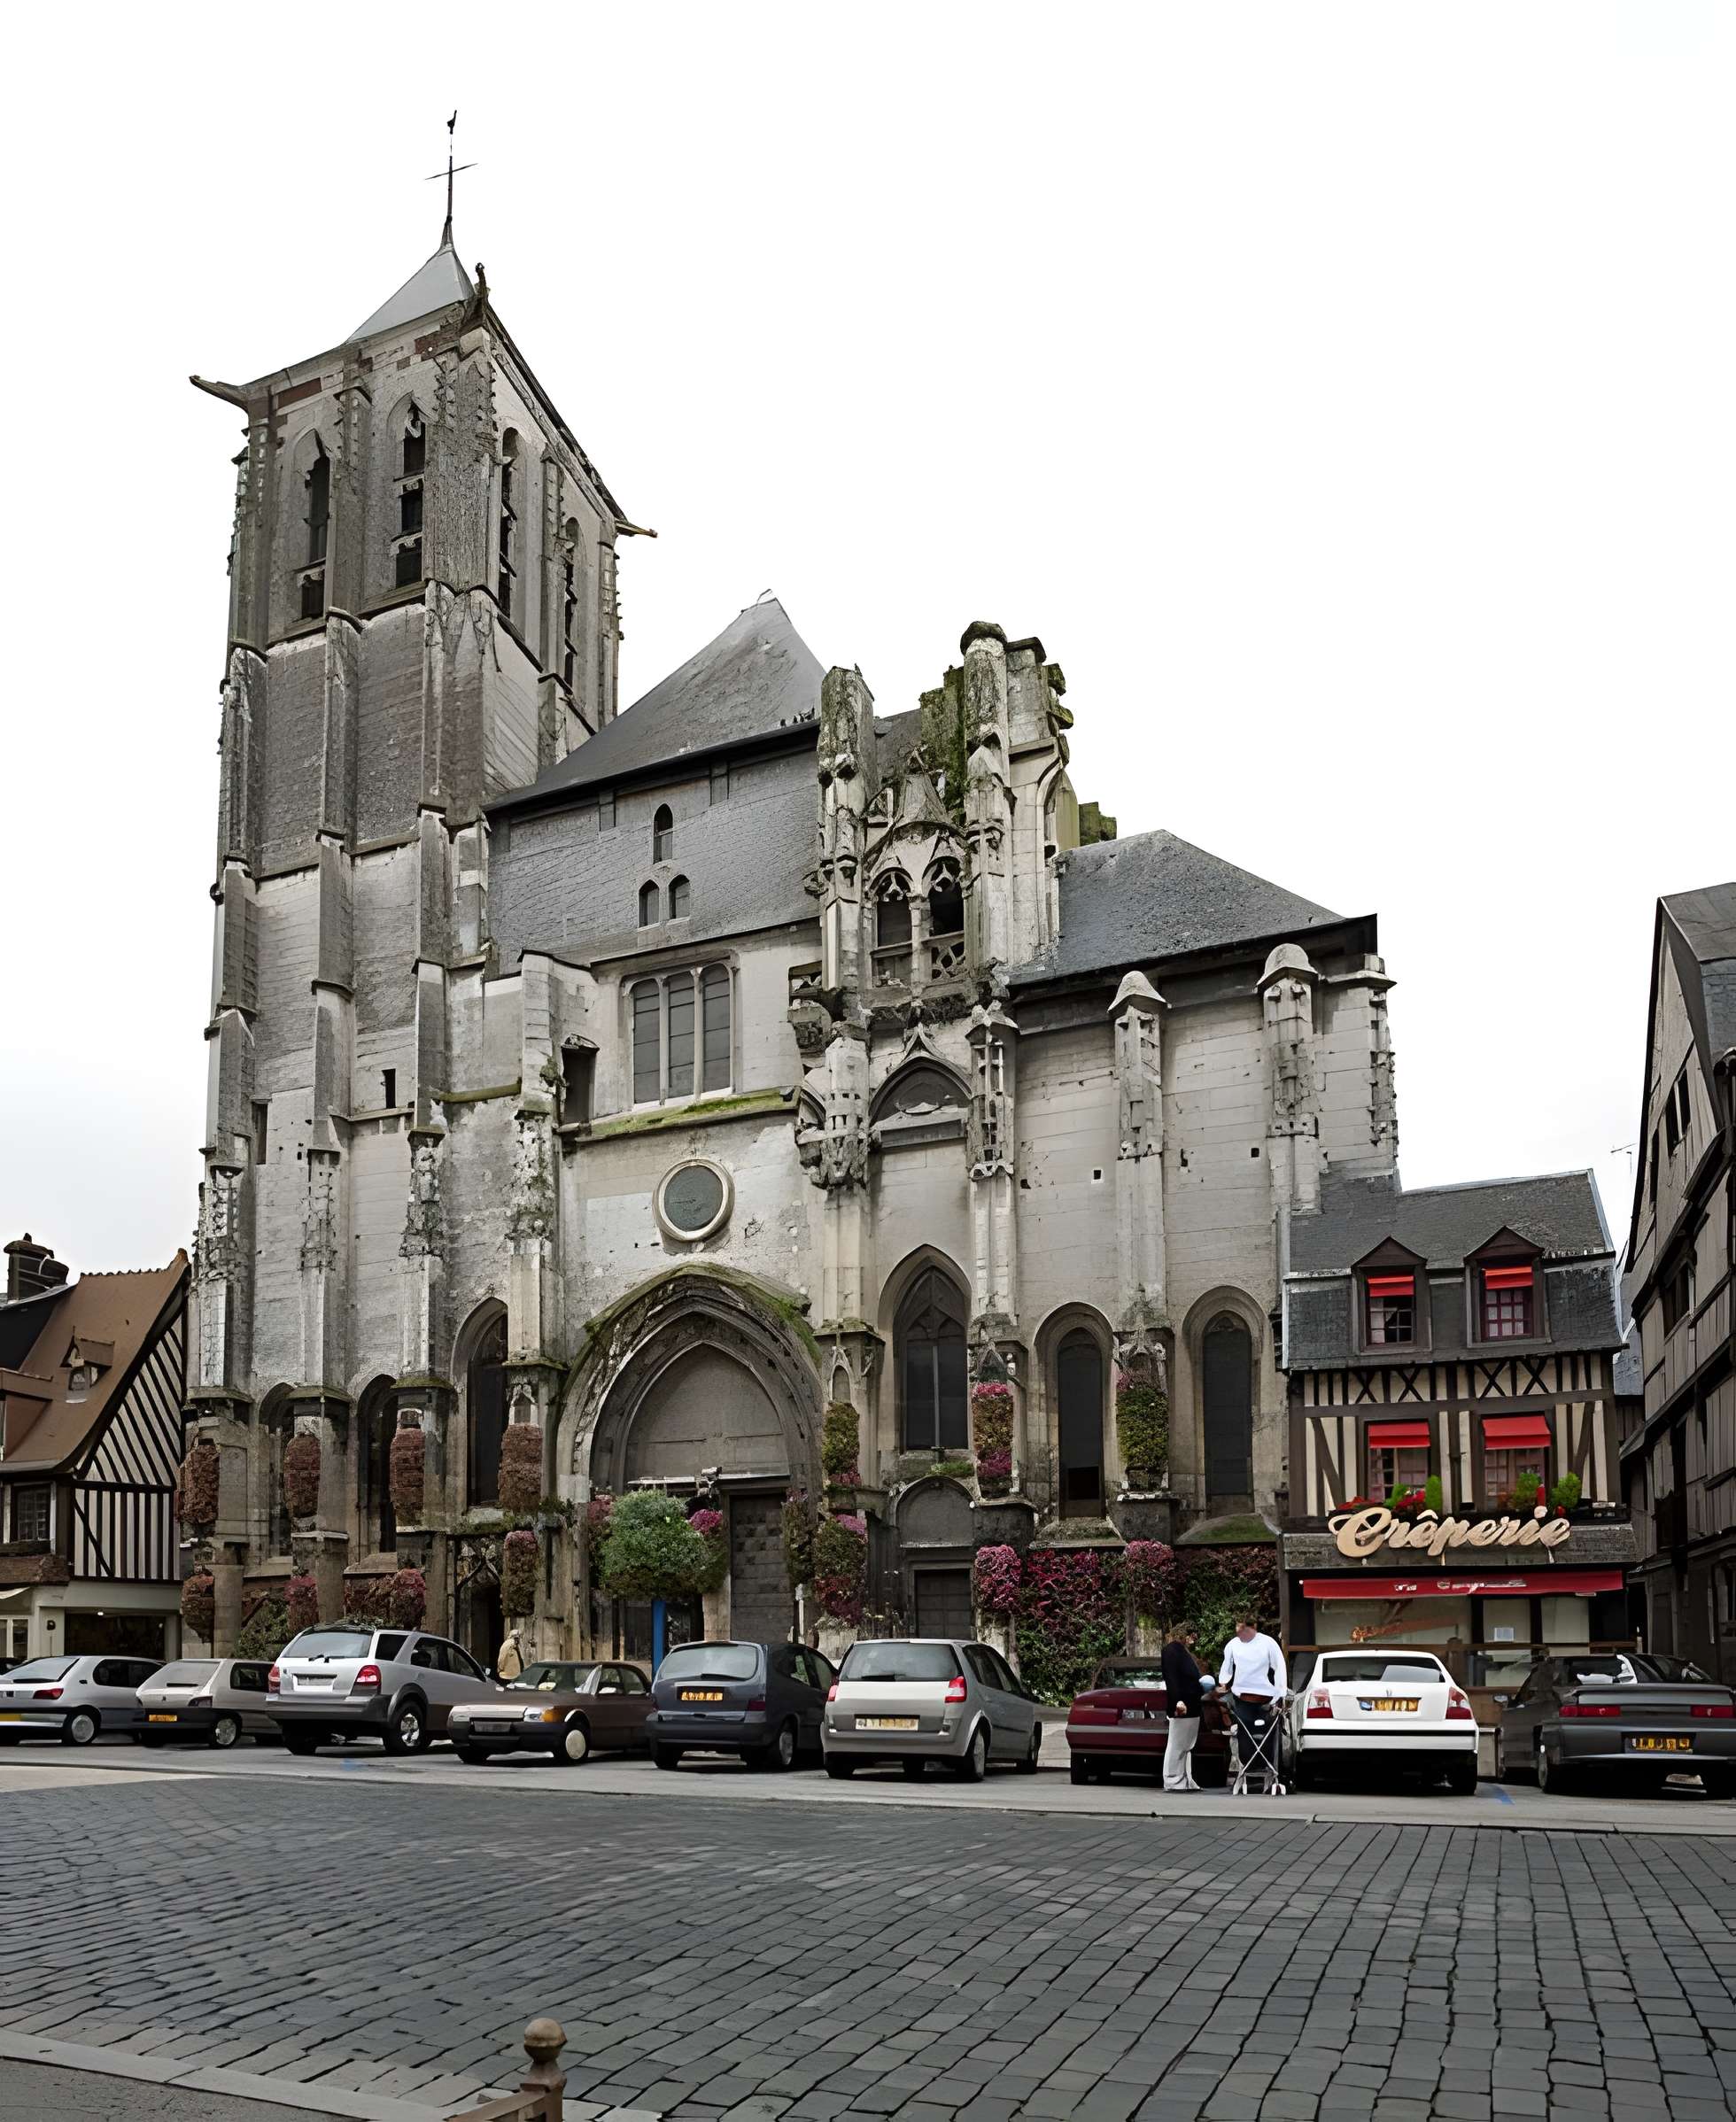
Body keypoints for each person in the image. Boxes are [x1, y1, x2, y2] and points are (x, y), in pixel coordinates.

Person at [1218, 1615, 1285, 1783]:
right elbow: (1226, 1669)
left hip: (1265, 1698)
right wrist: (1223, 1683)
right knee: (1246, 1734)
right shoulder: (1233, 1645)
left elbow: (1279, 1667)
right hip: (1243, 1697)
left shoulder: (1268, 1643)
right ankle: (1250, 1766)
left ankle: (1265, 1767)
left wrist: (1280, 1693)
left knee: (1263, 1734)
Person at [1160, 1622, 1209, 1792]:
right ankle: (1173, 1780)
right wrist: (1177, 1701)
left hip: (1192, 1703)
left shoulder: (1182, 1652)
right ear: (1184, 1635)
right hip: (1183, 1705)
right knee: (1177, 1744)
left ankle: (1186, 1779)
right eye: (1192, 1636)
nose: (1193, 1640)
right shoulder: (1172, 1651)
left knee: (1187, 1745)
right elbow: (1171, 1679)